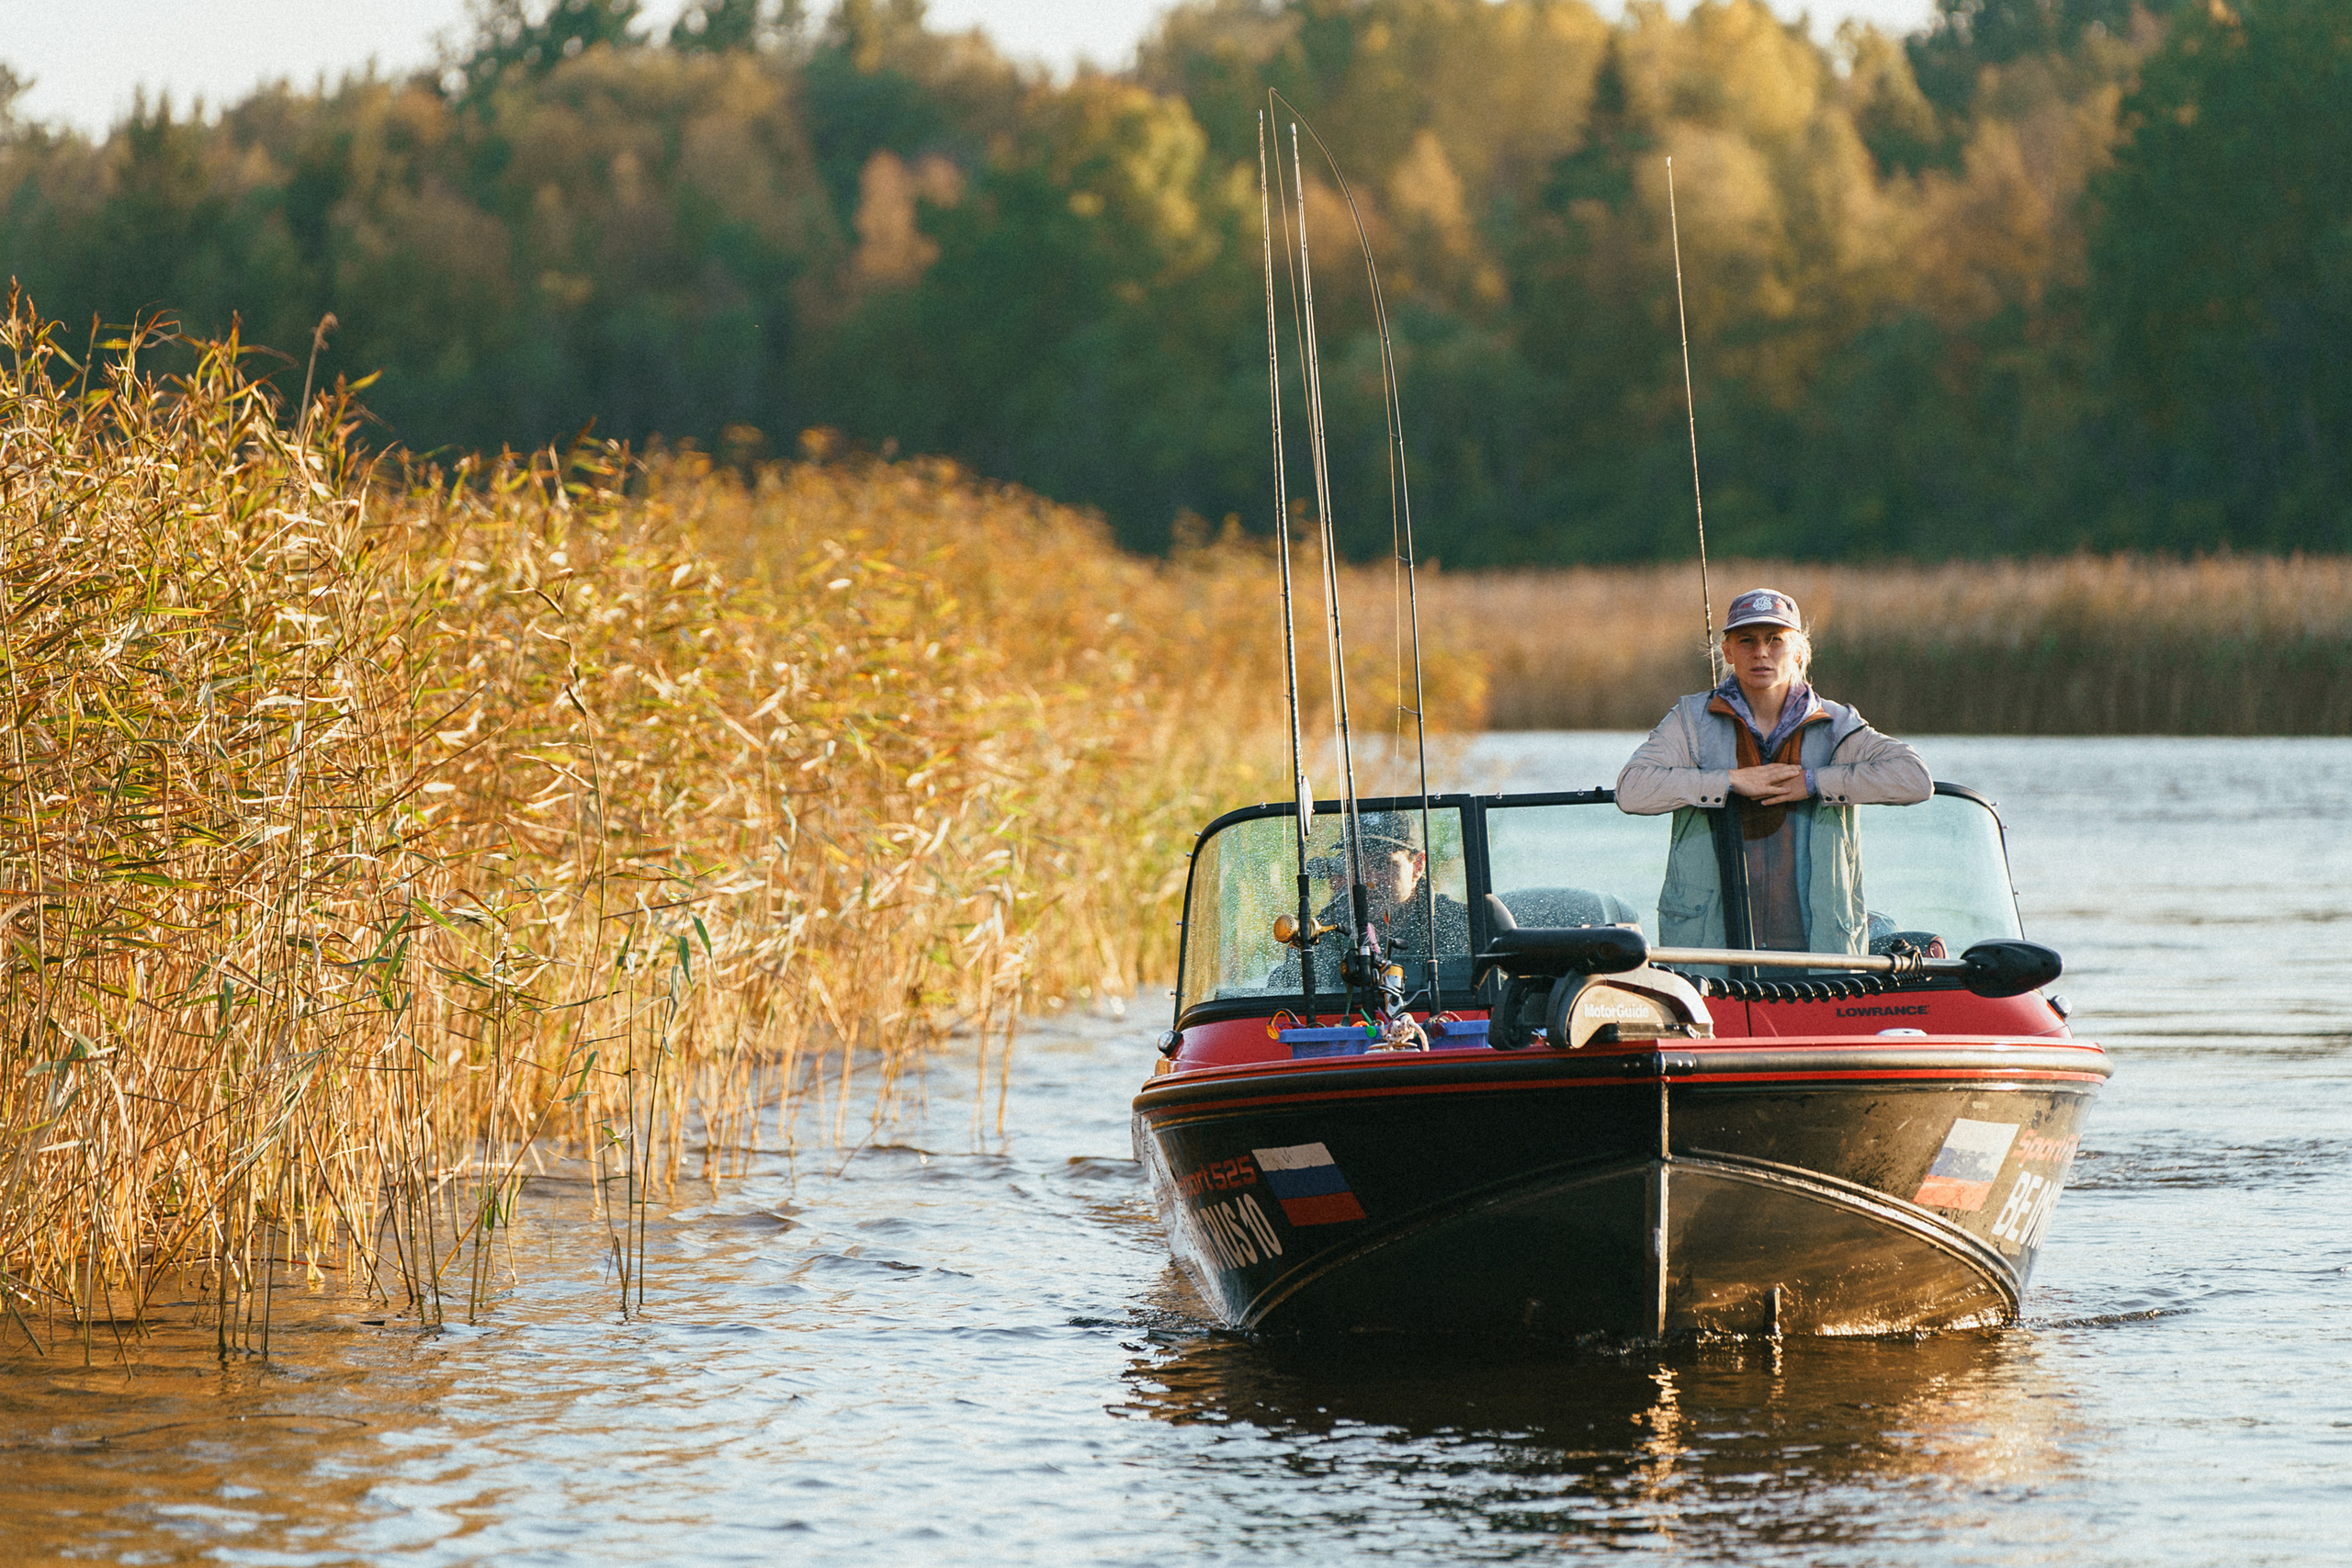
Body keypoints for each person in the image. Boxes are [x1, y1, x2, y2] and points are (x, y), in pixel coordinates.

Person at [1615, 588, 1929, 954]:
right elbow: (1631, 789)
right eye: (1746, 640)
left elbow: (1915, 779)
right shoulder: (1689, 719)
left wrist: (1812, 783)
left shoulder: (1836, 723)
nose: (1761, 652)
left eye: (1775, 640)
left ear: (1798, 651)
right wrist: (1730, 782)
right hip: (1711, 949)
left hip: (1820, 947)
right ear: (1728, 651)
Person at [1269, 811, 1470, 992]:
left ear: (1418, 865)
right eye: (1358, 865)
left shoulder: (1460, 926)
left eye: (1384, 864)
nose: (1369, 880)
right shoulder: (1320, 935)